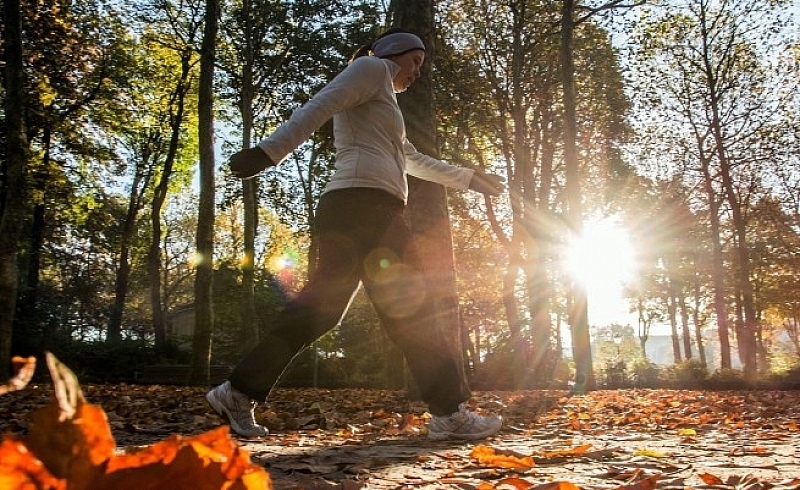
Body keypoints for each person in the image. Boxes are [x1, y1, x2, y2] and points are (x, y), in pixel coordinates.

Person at [206, 28, 505, 440]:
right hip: (364, 207)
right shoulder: (370, 69)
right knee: (415, 311)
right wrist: (270, 152)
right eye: (415, 60)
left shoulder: (383, 103)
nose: (418, 71)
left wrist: (469, 178)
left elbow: (412, 159)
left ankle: (237, 393)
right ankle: (449, 413)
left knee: (322, 310)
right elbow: (320, 104)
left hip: (356, 209)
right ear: (392, 52)